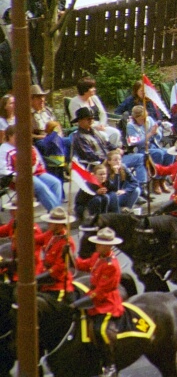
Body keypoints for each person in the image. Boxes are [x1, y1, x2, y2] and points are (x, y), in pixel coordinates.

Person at [73, 227, 124, 377]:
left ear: (108, 246)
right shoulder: (97, 256)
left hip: (107, 302)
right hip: (96, 295)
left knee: (99, 330)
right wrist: (70, 256)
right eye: (97, 243)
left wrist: (81, 302)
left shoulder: (111, 265)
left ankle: (111, 365)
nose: (97, 246)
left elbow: (101, 292)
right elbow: (85, 265)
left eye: (100, 244)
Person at [71, 107, 147, 186]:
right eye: (88, 119)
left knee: (140, 157)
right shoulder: (79, 137)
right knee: (122, 165)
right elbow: (89, 155)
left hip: (112, 159)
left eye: (92, 119)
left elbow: (107, 144)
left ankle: (141, 185)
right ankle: (131, 187)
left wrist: (117, 149)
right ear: (80, 121)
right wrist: (109, 159)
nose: (91, 121)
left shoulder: (95, 132)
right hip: (100, 164)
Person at [1, 125, 62, 212]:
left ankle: (55, 213)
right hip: (18, 178)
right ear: (9, 136)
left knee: (56, 183)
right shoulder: (4, 149)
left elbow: (39, 160)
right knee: (41, 187)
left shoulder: (27, 146)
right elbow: (3, 170)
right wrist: (20, 176)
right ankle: (56, 214)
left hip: (36, 173)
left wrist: (40, 170)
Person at [126, 105, 173, 194]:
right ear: (135, 118)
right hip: (141, 149)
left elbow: (158, 137)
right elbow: (136, 142)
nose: (144, 121)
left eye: (145, 118)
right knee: (158, 153)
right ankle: (156, 180)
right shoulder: (130, 126)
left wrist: (155, 133)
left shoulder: (150, 119)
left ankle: (162, 180)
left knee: (169, 153)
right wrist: (150, 134)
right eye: (141, 119)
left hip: (154, 146)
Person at [67, 77, 121, 147]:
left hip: (101, 126)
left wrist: (102, 124)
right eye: (92, 88)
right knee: (103, 136)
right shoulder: (74, 102)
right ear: (85, 89)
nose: (94, 89)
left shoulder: (94, 98)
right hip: (87, 129)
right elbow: (77, 121)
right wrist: (95, 127)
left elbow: (103, 113)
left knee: (116, 133)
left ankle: (112, 154)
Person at [37, 207, 76, 302]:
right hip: (45, 277)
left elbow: (59, 268)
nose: (48, 224)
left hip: (57, 282)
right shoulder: (50, 234)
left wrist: (38, 278)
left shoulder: (67, 242)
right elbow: (36, 240)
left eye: (51, 222)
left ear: (59, 225)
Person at [0, 199, 44, 282]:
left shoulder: (32, 230)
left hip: (27, 270)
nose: (10, 212)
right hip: (14, 265)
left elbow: (31, 256)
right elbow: (3, 230)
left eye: (13, 210)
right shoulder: (15, 223)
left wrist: (10, 263)